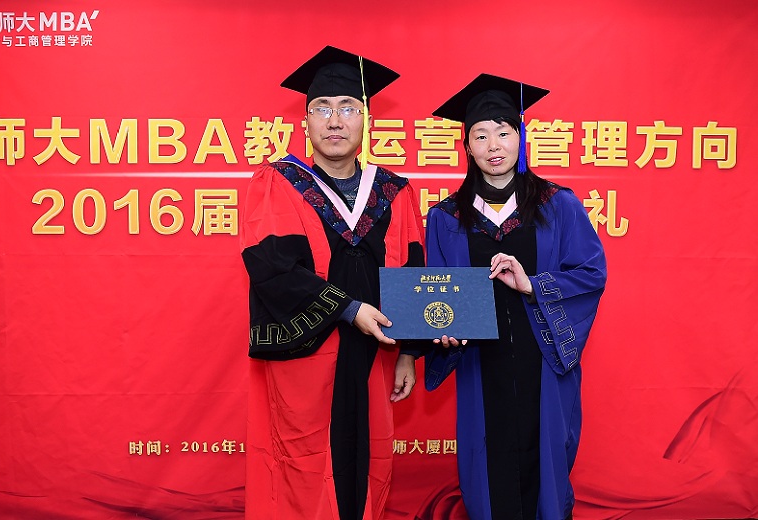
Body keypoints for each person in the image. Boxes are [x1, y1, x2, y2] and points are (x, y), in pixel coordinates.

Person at [238, 46, 425, 520]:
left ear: (366, 120)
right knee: (304, 464)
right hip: (306, 356)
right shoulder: (279, 183)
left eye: (348, 108)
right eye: (322, 109)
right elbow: (273, 269)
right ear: (305, 122)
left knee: (368, 459)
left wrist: (408, 351)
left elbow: (412, 272)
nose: (335, 121)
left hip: (375, 355)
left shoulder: (394, 192)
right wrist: (349, 309)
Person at [423, 74, 607, 520]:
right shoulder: (446, 217)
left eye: (503, 132)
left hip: (542, 358)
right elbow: (436, 292)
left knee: (546, 462)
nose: (494, 146)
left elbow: (591, 273)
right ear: (467, 146)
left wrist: (533, 285)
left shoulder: (557, 204)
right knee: (486, 466)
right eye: (480, 135)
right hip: (479, 363)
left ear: (520, 138)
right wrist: (441, 331)